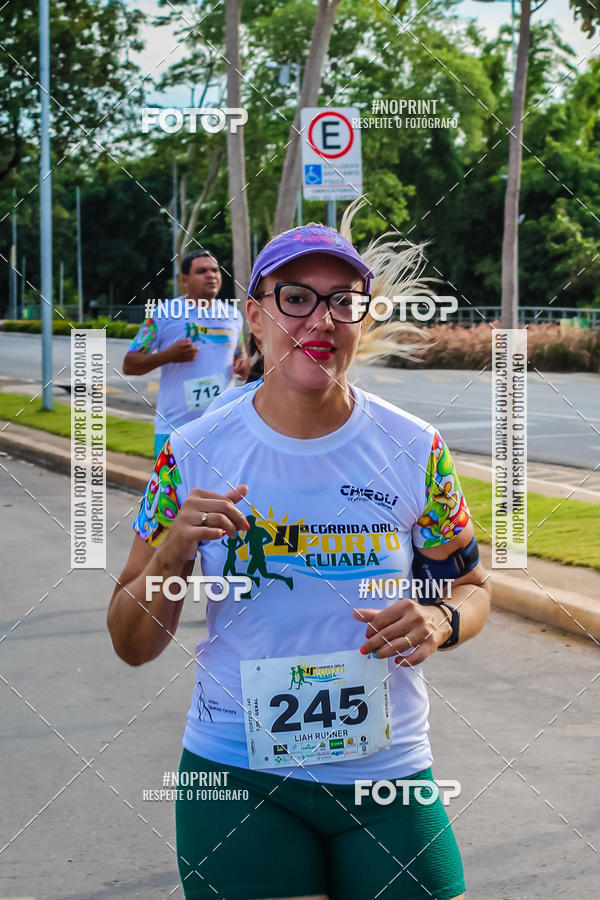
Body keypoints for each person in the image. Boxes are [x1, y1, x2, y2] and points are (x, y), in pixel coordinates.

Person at [108, 203, 490, 900]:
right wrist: (168, 558)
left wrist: (441, 620)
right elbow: (130, 643)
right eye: (294, 299)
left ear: (361, 319)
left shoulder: (415, 449)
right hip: (237, 774)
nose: (320, 320)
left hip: (388, 772)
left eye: (342, 301)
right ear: (254, 316)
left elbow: (471, 587)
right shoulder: (192, 452)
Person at [122, 249, 251, 456]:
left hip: (222, 428)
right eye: (201, 271)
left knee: (222, 489)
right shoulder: (164, 313)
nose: (211, 275)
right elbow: (129, 364)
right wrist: (168, 356)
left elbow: (240, 357)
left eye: (215, 270)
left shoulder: (233, 315)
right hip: (174, 431)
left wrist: (243, 365)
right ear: (184, 279)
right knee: (173, 490)